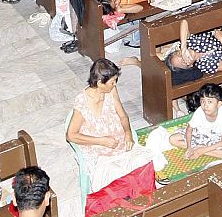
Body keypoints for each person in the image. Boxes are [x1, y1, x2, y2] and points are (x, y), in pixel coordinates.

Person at [66, 60, 155, 190]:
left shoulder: (111, 90)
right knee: (116, 175)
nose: (115, 84)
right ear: (99, 83)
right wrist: (101, 141)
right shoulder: (82, 102)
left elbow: (123, 115)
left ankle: (143, 199)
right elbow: (71, 135)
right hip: (100, 154)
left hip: (121, 145)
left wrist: (128, 134)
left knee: (144, 163)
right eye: (112, 82)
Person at [168, 85, 222, 161]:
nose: (205, 105)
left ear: (219, 104)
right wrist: (189, 148)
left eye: (210, 102)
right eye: (203, 101)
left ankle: (201, 150)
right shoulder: (200, 111)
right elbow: (189, 130)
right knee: (173, 139)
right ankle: (198, 148)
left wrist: (202, 150)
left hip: (216, 136)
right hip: (200, 134)